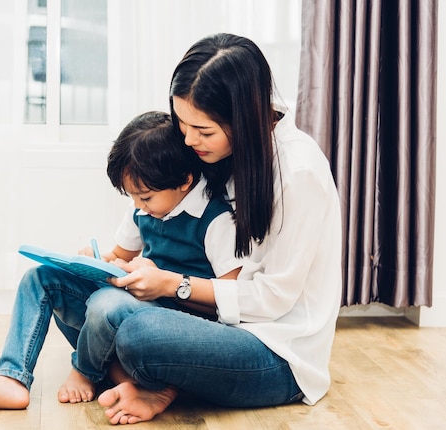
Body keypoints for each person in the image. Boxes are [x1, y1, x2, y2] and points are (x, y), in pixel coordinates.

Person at [93, 33, 342, 425]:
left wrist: (172, 285)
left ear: (243, 117)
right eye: (182, 123)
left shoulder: (299, 174)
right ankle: (156, 378)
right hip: (210, 321)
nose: (189, 140)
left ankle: (155, 379)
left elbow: (273, 300)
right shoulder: (219, 151)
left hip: (274, 350)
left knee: (138, 333)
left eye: (204, 131)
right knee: (85, 298)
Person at [0, 110, 242, 411]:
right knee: (40, 278)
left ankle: (87, 372)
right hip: (128, 311)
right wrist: (94, 261)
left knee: (107, 304)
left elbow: (229, 300)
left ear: (184, 181)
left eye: (146, 197)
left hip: (169, 328)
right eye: (132, 197)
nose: (138, 206)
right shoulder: (142, 209)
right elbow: (119, 255)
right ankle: (12, 377)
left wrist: (164, 283)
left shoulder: (216, 220)